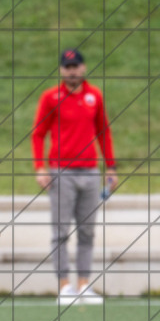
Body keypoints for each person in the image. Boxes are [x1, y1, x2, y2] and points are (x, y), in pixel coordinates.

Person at [32, 48, 117, 306]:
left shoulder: (95, 96)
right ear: (61, 70)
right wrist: (40, 167)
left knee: (88, 231)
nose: (72, 71)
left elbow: (103, 131)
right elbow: (38, 133)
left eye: (76, 66)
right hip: (61, 172)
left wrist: (110, 168)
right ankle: (64, 286)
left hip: (90, 171)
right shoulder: (51, 97)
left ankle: (83, 285)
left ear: (83, 67)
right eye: (67, 67)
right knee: (60, 231)